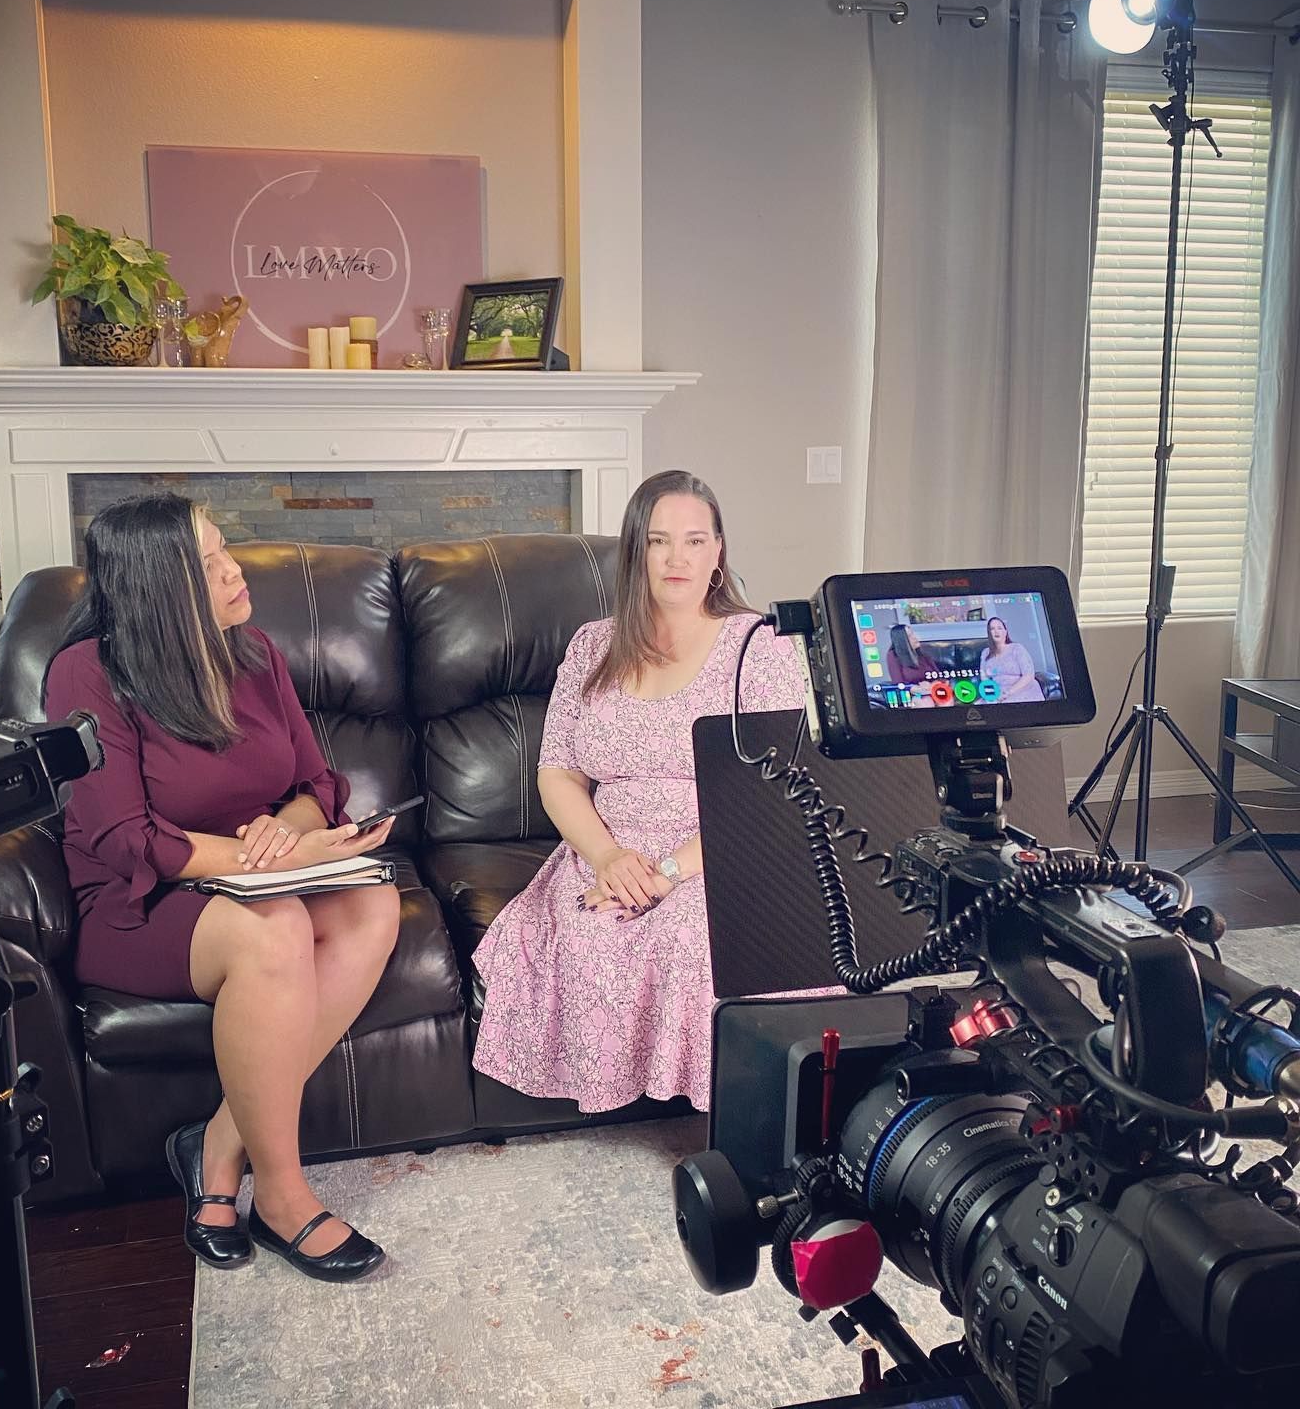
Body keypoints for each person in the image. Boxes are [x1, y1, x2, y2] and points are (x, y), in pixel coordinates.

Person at [43, 494, 399, 1283]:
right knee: (273, 931)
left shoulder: (254, 654)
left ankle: (214, 1147)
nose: (236, 569)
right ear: (157, 584)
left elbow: (317, 780)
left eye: (224, 547)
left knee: (375, 902)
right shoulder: (86, 672)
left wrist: (295, 830)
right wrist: (254, 861)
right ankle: (281, 1196)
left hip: (259, 876)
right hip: (140, 903)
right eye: (209, 563)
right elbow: (124, 838)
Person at [470, 470, 843, 1114]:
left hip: (718, 847)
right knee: (588, 935)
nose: (677, 559)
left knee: (693, 937)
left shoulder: (760, 650)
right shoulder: (593, 646)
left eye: (696, 541)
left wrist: (670, 872)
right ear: (634, 552)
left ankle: (724, 1112)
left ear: (719, 552)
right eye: (659, 541)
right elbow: (557, 771)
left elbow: (769, 791)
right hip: (605, 847)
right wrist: (610, 859)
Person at [980, 616, 1043, 702]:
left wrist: (1008, 692)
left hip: (1022, 690)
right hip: (998, 693)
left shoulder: (1017, 648)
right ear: (989, 633)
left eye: (999, 628)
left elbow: (1029, 675)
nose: (996, 631)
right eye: (992, 629)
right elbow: (984, 677)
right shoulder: (985, 653)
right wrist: (992, 695)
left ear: (1005, 632)